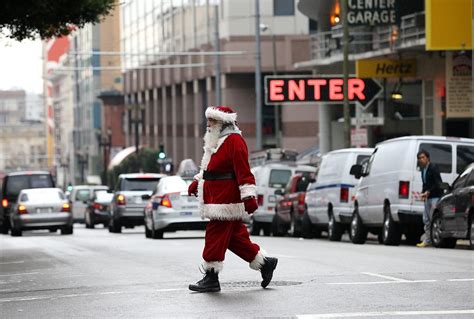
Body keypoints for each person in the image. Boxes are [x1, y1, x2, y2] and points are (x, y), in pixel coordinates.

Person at [188, 106, 278, 293]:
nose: (208, 124)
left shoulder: (234, 141)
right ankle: (265, 263)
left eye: (212, 120)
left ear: (222, 122)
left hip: (226, 202)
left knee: (214, 235)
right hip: (218, 199)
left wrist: (249, 197)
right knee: (234, 238)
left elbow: (243, 171)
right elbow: (210, 168)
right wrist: (198, 181)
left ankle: (211, 277)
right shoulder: (216, 141)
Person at [416, 150, 443, 248]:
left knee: (433, 219)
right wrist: (423, 193)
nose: (421, 160)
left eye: (423, 157)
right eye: (419, 158)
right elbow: (425, 184)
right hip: (427, 197)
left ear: (428, 158)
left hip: (435, 197)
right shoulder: (423, 170)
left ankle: (434, 239)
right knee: (426, 219)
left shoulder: (433, 167)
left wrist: (429, 191)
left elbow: (438, 183)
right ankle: (427, 240)